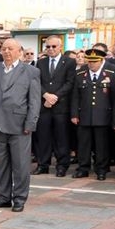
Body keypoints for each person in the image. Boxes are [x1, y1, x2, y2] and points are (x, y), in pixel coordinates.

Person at [0, 38, 41, 213]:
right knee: (0, 165)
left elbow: (34, 101)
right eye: (4, 48)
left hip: (20, 126)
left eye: (11, 49)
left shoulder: (31, 71)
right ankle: (3, 197)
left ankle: (19, 199)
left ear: (20, 52)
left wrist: (31, 123)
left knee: (21, 165)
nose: (6, 52)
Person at [71, 48, 115, 180]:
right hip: (84, 114)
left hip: (103, 115)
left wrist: (114, 117)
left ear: (101, 61)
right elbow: (75, 96)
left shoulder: (111, 72)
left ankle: (101, 169)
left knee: (101, 145)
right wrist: (74, 114)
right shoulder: (80, 73)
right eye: (89, 61)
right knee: (83, 144)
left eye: (95, 61)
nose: (91, 64)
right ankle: (83, 168)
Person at [34, 35, 75, 177]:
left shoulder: (69, 62)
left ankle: (62, 165)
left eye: (53, 46)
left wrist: (55, 97)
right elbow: (36, 82)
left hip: (61, 107)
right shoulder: (41, 63)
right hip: (44, 106)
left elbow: (70, 83)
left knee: (61, 138)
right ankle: (43, 165)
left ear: (60, 47)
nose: (50, 49)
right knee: (43, 137)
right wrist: (45, 95)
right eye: (48, 47)